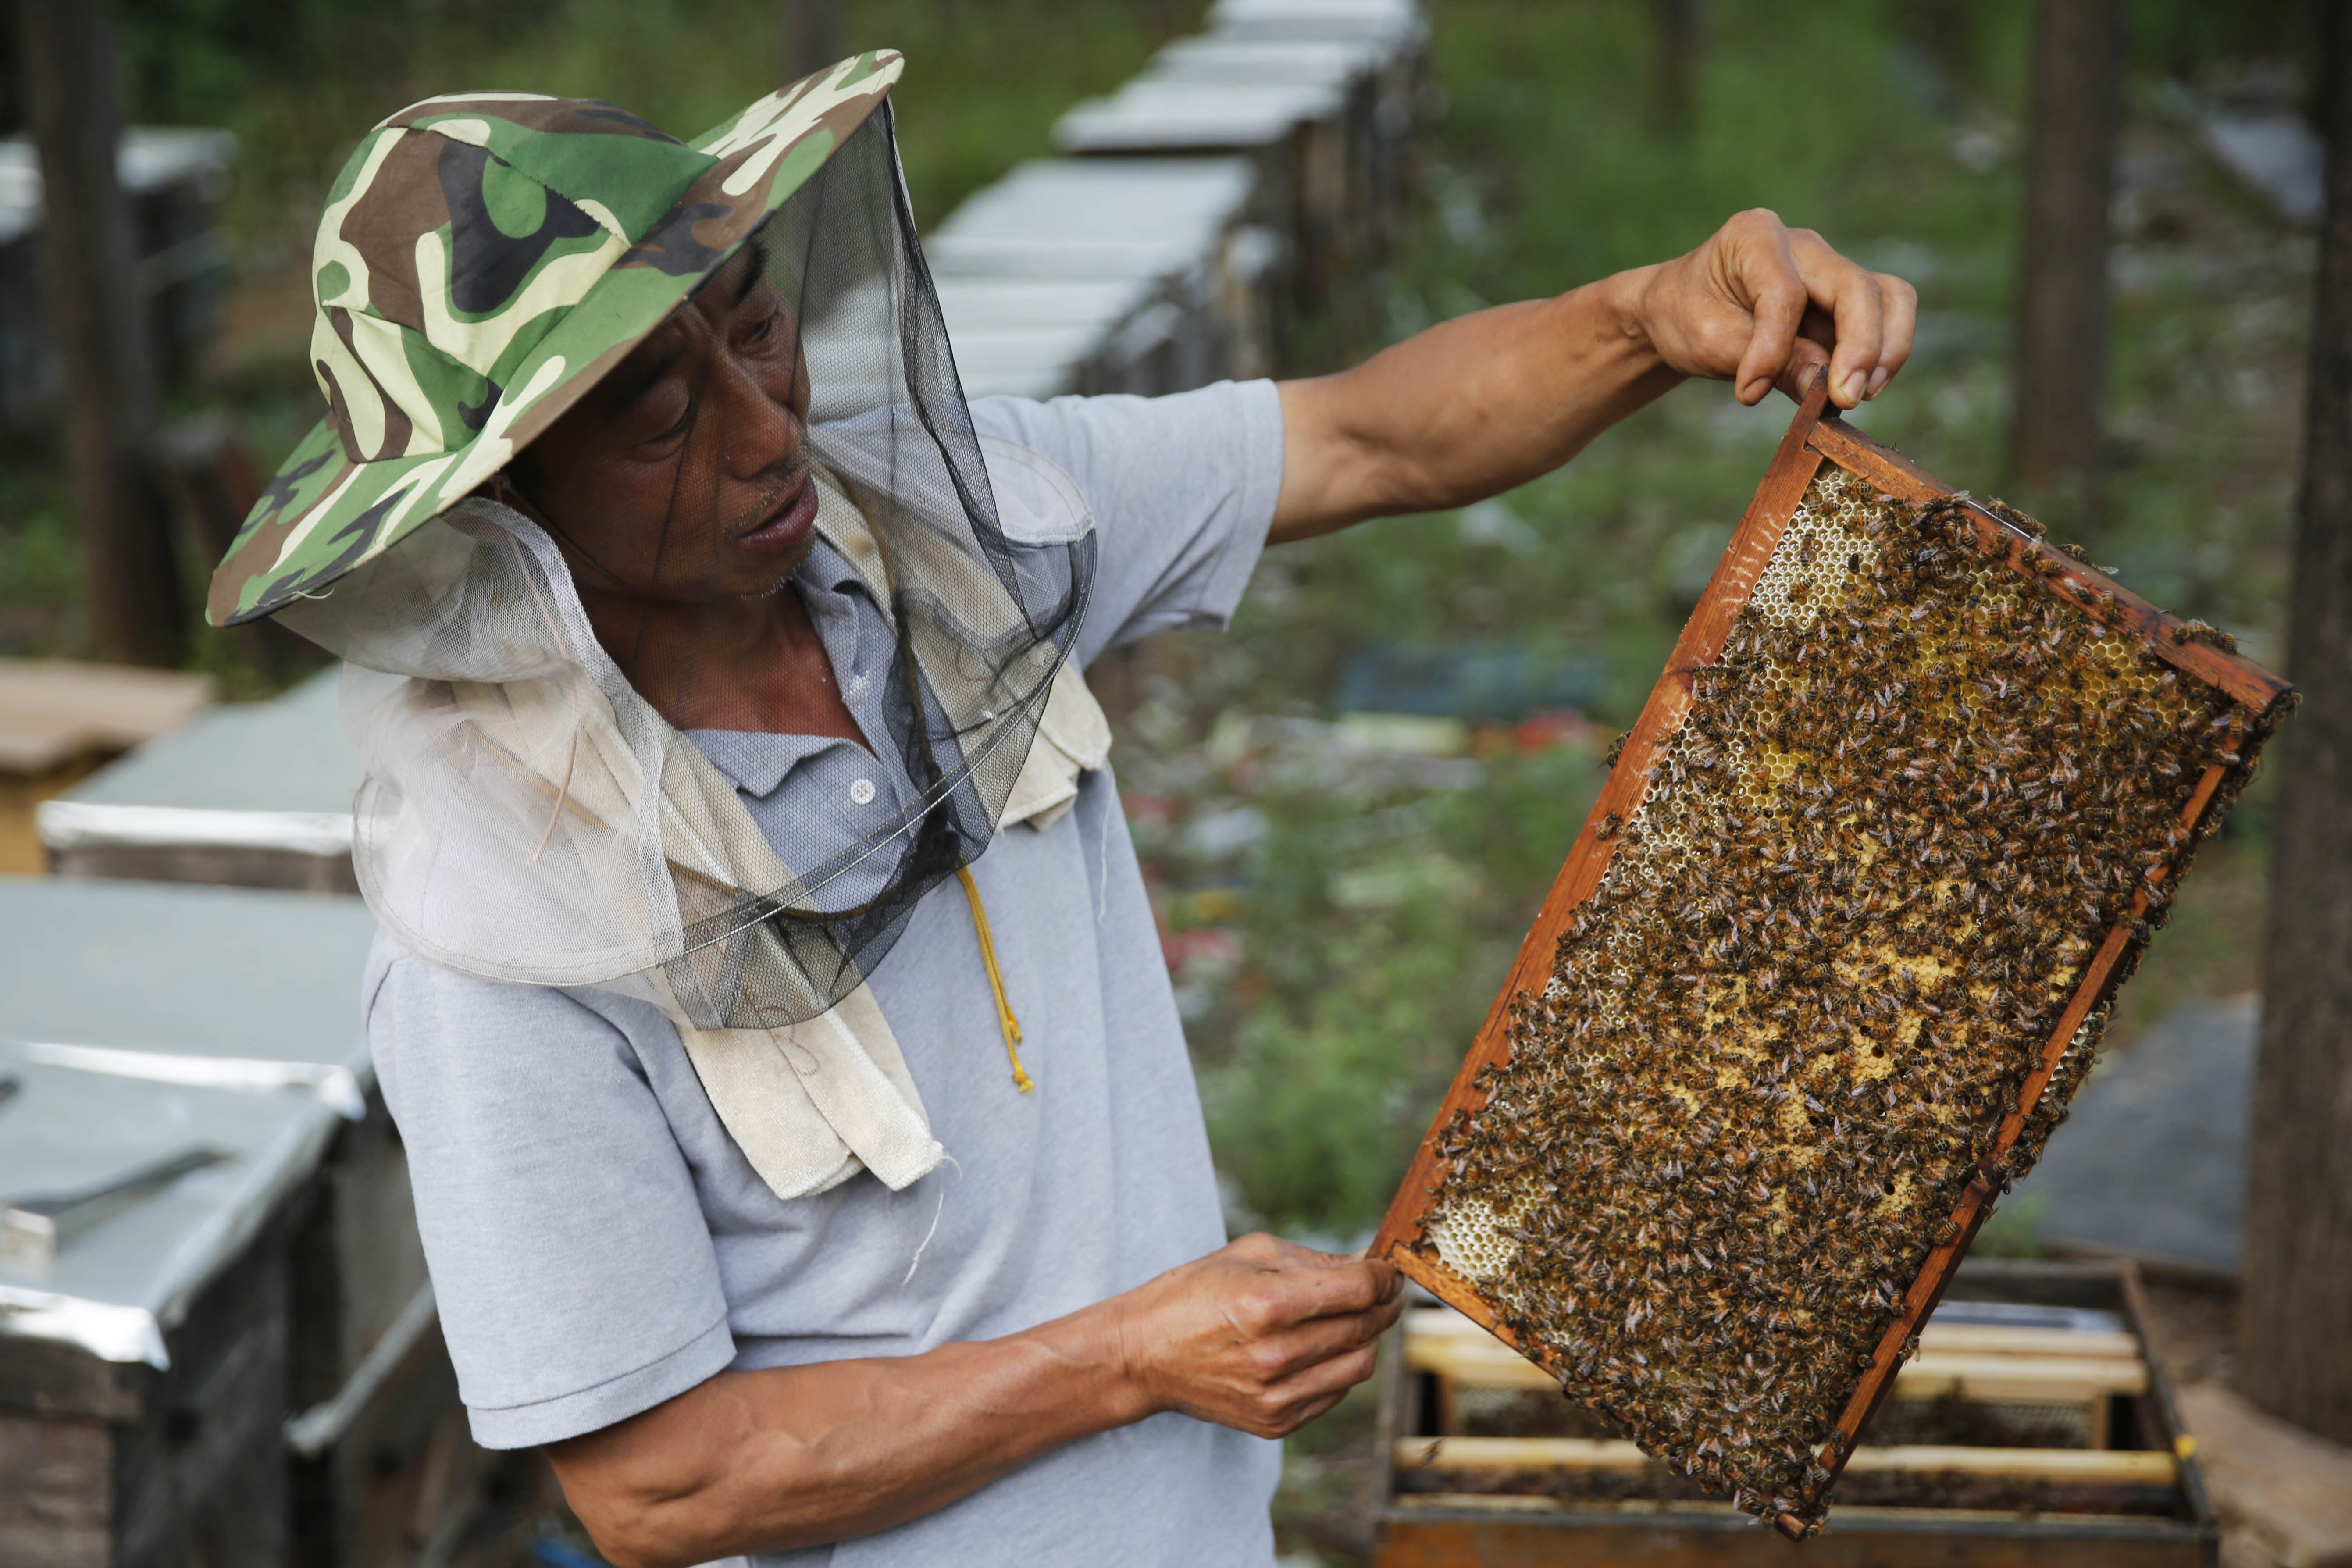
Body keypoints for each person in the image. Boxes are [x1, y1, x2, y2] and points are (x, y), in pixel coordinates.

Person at [208, 52, 1913, 1568]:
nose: (765, 425)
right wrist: (1124, 1360)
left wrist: (1648, 313)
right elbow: (660, 1492)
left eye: (753, 324)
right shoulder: (493, 919)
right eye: (658, 407)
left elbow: (1368, 441)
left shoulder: (957, 529)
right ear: (506, 510)